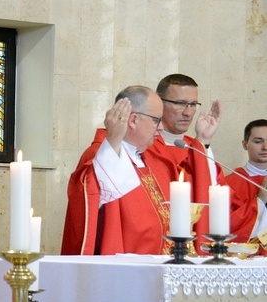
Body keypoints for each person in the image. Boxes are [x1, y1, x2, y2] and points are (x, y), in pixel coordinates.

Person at [62, 85, 178, 255]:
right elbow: (92, 201)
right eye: (156, 120)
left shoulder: (148, 159)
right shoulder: (101, 156)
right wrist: (113, 138)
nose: (161, 128)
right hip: (123, 268)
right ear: (133, 120)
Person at [146, 74, 224, 241]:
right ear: (159, 102)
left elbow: (215, 197)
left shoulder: (195, 147)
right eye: (180, 104)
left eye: (193, 104)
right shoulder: (144, 147)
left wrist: (203, 140)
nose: (188, 112)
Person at [225, 119, 267, 254]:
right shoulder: (230, 183)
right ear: (245, 144)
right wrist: (260, 200)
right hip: (248, 258)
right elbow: (228, 227)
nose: (265, 147)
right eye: (258, 141)